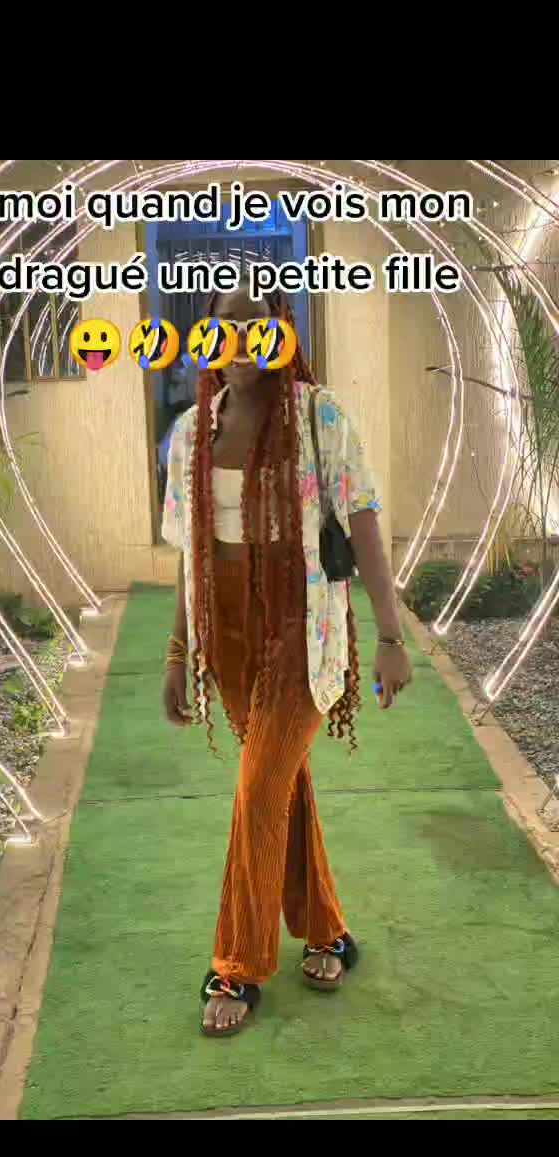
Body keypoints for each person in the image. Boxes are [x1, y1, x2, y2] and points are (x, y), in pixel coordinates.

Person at [161, 281, 413, 1038]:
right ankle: (328, 931)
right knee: (281, 785)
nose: (237, 344)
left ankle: (238, 963)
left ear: (280, 334)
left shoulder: (318, 416)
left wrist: (391, 637)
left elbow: (362, 521)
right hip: (227, 632)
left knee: (260, 787)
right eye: (222, 329)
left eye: (253, 327)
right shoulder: (193, 430)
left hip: (303, 632)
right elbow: (189, 553)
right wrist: (178, 651)